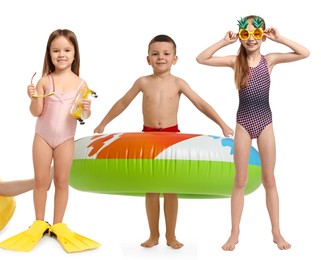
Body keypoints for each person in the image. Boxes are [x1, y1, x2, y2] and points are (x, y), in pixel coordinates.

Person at [94, 34, 234, 250]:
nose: (161, 58)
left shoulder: (178, 83)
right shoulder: (142, 82)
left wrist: (222, 124)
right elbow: (123, 102)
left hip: (172, 137)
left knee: (171, 189)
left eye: (166, 54)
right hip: (147, 136)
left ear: (175, 59)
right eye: (155, 54)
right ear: (148, 59)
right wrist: (103, 124)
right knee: (150, 189)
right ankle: (153, 235)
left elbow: (200, 104)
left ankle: (171, 235)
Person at [196, 15, 309, 251]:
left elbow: (304, 53)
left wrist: (280, 38)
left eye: (256, 34)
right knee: (240, 180)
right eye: (245, 34)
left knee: (269, 179)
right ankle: (234, 232)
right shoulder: (236, 62)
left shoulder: (270, 60)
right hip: (243, 124)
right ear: (240, 36)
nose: (250, 39)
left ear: (262, 36)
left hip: (265, 123)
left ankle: (276, 231)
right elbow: (201, 58)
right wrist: (223, 41)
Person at [0, 29, 99, 253]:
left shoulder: (82, 84)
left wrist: (87, 110)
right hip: (42, 138)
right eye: (56, 50)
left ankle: (58, 224)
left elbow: (82, 117)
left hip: (66, 139)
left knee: (62, 181)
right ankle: (39, 222)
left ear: (74, 54)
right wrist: (34, 98)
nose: (61, 54)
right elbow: (36, 112)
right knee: (41, 182)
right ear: (49, 54)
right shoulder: (45, 81)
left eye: (66, 50)